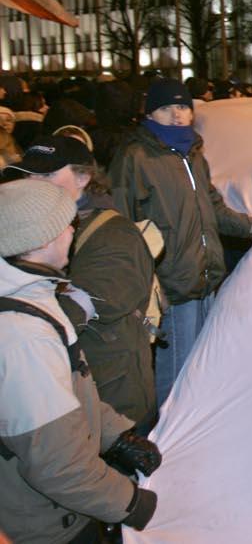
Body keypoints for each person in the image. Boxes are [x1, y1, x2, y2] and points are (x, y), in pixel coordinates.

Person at [0, 179, 160, 542]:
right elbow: (57, 466)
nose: (74, 230)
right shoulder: (24, 337)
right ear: (42, 240)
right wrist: (133, 504)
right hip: (48, 525)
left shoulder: (33, 293)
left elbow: (69, 388)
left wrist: (115, 435)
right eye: (66, 224)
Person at [109, 78, 252, 405]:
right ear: (150, 114)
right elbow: (120, 222)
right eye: (166, 108)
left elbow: (212, 207)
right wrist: (143, 282)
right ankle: (166, 444)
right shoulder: (136, 157)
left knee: (201, 366)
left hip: (205, 276)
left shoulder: (193, 154)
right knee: (176, 373)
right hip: (170, 282)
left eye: (183, 107)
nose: (176, 115)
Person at [6, 136, 158, 426]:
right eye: (29, 175)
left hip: (111, 394)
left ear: (83, 177)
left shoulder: (113, 234)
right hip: (61, 390)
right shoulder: (29, 229)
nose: (35, 183)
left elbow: (92, 299)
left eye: (48, 174)